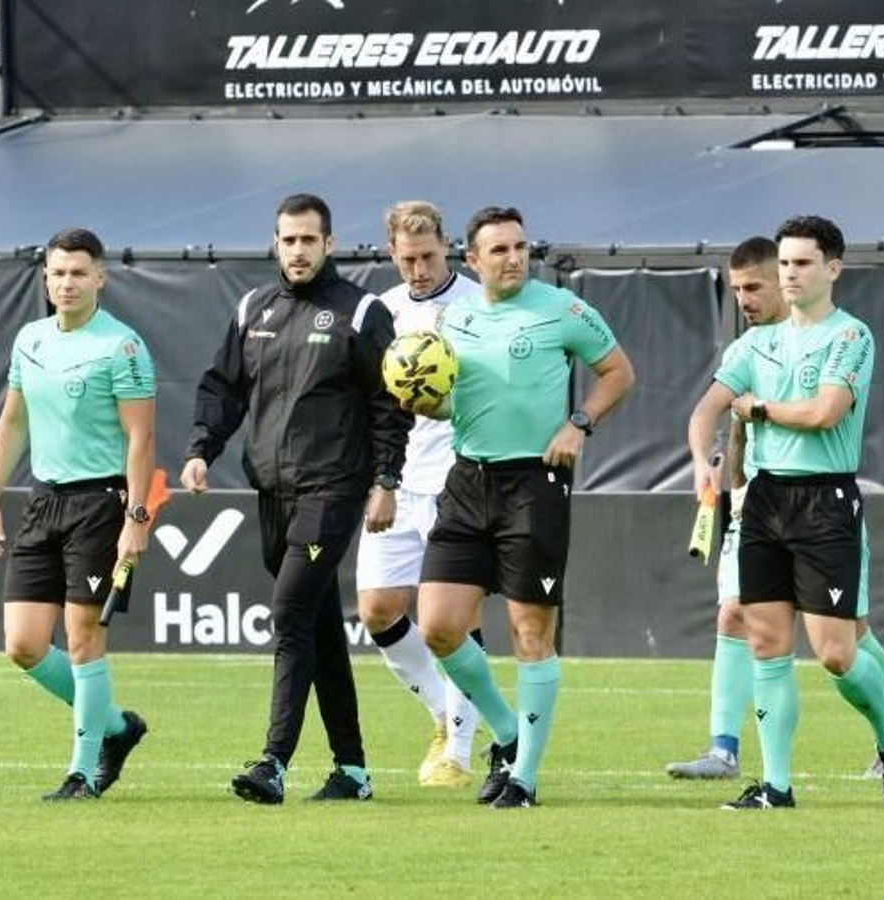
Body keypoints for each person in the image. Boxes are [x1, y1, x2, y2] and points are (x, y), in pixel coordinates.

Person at [182, 193, 412, 804]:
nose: (299, 250)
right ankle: (354, 771)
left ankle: (273, 764)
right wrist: (202, 448)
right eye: (289, 240)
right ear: (275, 243)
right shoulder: (253, 307)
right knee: (318, 627)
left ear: (329, 244)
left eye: (310, 240)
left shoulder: (360, 312)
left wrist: (386, 481)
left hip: (333, 489)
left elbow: (389, 405)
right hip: (273, 492)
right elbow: (223, 387)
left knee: (288, 614)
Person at [689, 215, 884, 810]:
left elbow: (826, 413)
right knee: (765, 644)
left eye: (802, 263)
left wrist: (759, 408)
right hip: (764, 501)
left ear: (832, 269)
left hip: (825, 501)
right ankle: (777, 787)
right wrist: (699, 460)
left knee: (837, 652)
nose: (790, 274)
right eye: (784, 263)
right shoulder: (755, 343)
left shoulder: (851, 336)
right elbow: (708, 408)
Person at [416, 206, 636, 809]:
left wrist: (579, 424)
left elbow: (618, 372)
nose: (514, 257)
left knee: (530, 631)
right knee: (437, 626)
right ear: (472, 260)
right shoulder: (452, 317)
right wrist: (423, 396)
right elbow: (445, 401)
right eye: (500, 249)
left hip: (535, 482)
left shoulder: (562, 308)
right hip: (466, 480)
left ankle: (525, 779)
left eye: (520, 246)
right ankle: (509, 734)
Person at [0, 227, 155, 800]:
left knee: (83, 641)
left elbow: (141, 439)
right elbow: (12, 421)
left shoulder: (122, 346)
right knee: (23, 644)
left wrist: (136, 519)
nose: (67, 282)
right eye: (57, 272)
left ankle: (81, 774)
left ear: (100, 277)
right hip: (43, 501)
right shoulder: (30, 339)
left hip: (102, 505)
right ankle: (117, 727)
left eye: (79, 272)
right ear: (45, 278)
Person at [355, 201, 485, 789]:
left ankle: (457, 748)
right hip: (396, 482)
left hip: (460, 480)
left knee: (452, 619)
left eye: (429, 256)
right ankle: (443, 711)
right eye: (408, 259)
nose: (419, 270)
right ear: (391, 254)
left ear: (448, 247)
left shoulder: (477, 303)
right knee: (378, 609)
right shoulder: (381, 310)